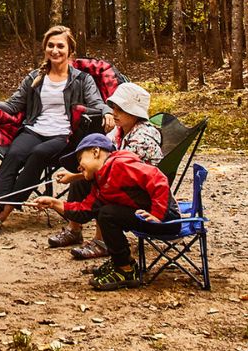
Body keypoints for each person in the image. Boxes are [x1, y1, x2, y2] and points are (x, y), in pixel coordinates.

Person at [0, 25, 112, 236]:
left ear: (70, 51)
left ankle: (2, 214)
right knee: (14, 154)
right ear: (45, 49)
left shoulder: (82, 79)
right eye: (50, 46)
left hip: (64, 136)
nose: (55, 50)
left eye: (60, 46)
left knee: (38, 154)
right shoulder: (35, 77)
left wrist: (107, 112)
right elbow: (13, 105)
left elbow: (97, 102)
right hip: (34, 130)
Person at [35, 133, 181, 291]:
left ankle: (125, 270)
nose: (78, 167)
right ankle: (124, 262)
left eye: (79, 160)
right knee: (104, 212)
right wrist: (53, 203)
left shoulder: (120, 165)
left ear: (96, 152)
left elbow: (158, 178)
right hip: (147, 218)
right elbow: (83, 211)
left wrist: (157, 214)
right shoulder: (100, 183)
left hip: (166, 219)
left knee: (107, 214)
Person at [48, 81, 163, 258]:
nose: (114, 113)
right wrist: (76, 176)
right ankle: (74, 230)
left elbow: (118, 172)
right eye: (114, 108)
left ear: (135, 113)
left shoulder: (142, 138)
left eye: (120, 109)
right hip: (122, 182)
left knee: (99, 184)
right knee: (81, 181)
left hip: (138, 192)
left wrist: (79, 176)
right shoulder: (119, 131)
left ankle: (101, 241)